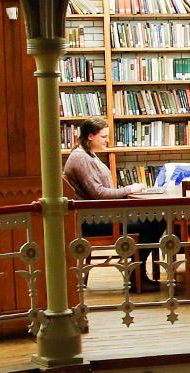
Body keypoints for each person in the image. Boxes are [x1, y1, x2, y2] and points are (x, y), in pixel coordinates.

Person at [66, 118, 166, 290]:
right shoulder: (81, 158)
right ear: (90, 136)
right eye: (104, 136)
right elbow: (98, 194)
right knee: (154, 222)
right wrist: (129, 189)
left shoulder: (87, 154)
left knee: (154, 220)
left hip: (99, 215)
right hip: (92, 221)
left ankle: (136, 272)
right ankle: (136, 276)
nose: (107, 140)